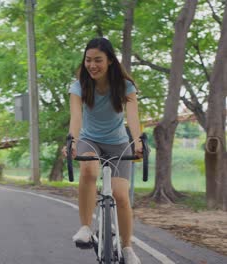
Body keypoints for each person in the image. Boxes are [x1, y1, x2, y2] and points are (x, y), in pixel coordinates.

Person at [62, 37, 143, 264]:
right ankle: (86, 228)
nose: (92, 65)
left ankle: (127, 248)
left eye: (98, 60)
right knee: (88, 171)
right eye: (88, 60)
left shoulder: (125, 86)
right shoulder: (79, 85)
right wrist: (73, 141)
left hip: (118, 143)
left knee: (120, 195)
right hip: (89, 140)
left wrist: (137, 142)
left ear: (109, 61)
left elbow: (133, 116)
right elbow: (76, 117)